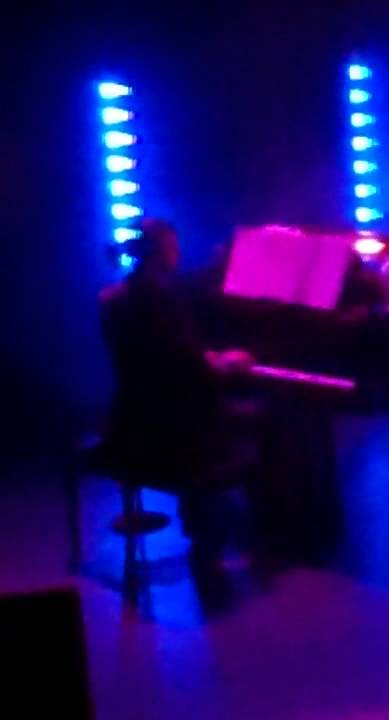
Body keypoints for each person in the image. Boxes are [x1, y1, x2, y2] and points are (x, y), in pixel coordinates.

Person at [99, 218, 256, 593]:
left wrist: (207, 359)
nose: (179, 253)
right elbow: (189, 368)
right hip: (167, 429)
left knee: (233, 417)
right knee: (256, 425)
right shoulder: (159, 301)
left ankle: (212, 522)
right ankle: (216, 538)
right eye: (174, 246)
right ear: (161, 253)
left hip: (132, 418)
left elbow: (172, 358)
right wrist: (228, 361)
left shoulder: (121, 296)